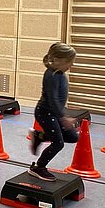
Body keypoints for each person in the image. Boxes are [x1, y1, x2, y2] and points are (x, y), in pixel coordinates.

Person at [28, 42, 79, 182]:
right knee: (58, 143)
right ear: (57, 60)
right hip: (45, 112)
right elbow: (53, 99)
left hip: (54, 113)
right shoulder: (51, 75)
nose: (71, 65)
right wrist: (63, 117)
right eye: (69, 62)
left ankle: (40, 136)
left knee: (73, 137)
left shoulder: (59, 72)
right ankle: (38, 167)